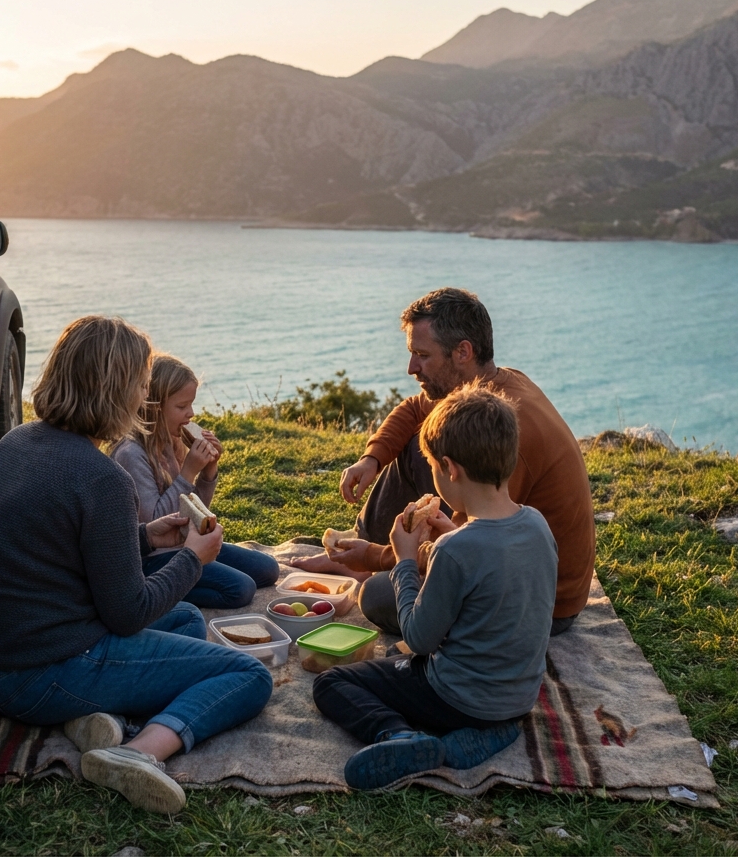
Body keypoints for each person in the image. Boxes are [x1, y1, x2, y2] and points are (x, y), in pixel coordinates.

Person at [0, 316, 273, 814]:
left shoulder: (16, 443)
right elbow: (128, 612)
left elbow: (62, 545)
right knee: (247, 676)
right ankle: (134, 751)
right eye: (138, 386)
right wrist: (193, 558)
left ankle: (92, 719)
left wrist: (146, 536)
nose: (141, 398)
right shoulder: (102, 477)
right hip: (42, 672)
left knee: (188, 619)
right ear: (116, 391)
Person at [296, 288, 594, 637]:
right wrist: (371, 459)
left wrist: (379, 558)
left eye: (422, 355)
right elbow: (414, 409)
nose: (411, 368)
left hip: (536, 605)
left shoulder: (511, 429)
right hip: (495, 561)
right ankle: (357, 553)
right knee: (414, 440)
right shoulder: (483, 396)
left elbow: (462, 548)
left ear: (463, 352)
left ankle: (364, 563)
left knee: (376, 596)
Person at [313, 384, 557, 789]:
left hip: (459, 697)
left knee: (333, 683)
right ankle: (491, 731)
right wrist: (444, 538)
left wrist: (406, 559)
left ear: (449, 468)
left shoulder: (455, 548)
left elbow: (420, 636)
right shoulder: (535, 524)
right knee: (396, 659)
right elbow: (491, 573)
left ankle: (400, 735)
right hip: (516, 697)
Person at [111, 353, 280, 608]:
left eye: (191, 404)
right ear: (153, 407)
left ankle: (189, 577)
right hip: (152, 559)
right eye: (181, 407)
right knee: (241, 589)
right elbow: (153, 522)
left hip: (184, 546)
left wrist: (208, 471)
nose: (190, 413)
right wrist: (187, 472)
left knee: (268, 569)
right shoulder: (132, 454)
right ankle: (159, 593)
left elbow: (193, 513)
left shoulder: (172, 441)